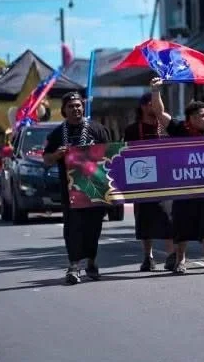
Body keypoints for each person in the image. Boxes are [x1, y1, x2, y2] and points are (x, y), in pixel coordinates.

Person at [151, 77, 204, 275]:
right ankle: (180, 261)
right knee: (182, 226)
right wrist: (156, 91)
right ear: (191, 118)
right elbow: (159, 113)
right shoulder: (178, 129)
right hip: (184, 190)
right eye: (202, 115)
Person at [43, 92, 111, 285]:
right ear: (64, 110)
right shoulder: (57, 134)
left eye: (78, 105)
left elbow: (110, 156)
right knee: (73, 228)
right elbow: (46, 159)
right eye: (71, 106)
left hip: (95, 187)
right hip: (69, 190)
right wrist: (58, 154)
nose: (75, 109)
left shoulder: (98, 129)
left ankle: (91, 262)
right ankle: (74, 265)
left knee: (93, 228)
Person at [123, 93, 176, 272]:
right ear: (143, 107)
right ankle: (148, 257)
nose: (154, 107)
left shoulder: (167, 126)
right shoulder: (132, 130)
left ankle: (171, 255)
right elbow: (125, 154)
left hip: (165, 179)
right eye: (150, 104)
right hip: (142, 180)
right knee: (144, 220)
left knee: (168, 217)